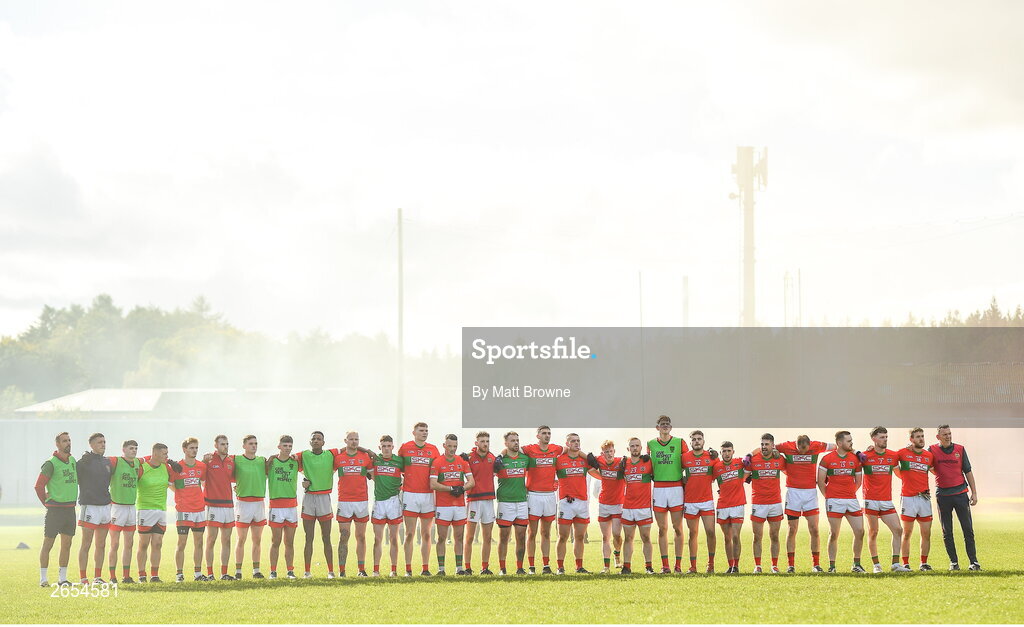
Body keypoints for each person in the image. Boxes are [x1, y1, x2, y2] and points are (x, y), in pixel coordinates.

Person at [774, 434, 833, 572]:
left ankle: (816, 565)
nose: (803, 452)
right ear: (796, 445)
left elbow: (837, 446)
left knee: (814, 529)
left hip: (810, 493)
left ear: (809, 445)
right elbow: (769, 447)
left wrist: (856, 451)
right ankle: (791, 565)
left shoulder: (817, 445)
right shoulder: (786, 446)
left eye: (805, 450)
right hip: (793, 493)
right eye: (800, 449)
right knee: (792, 529)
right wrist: (774, 451)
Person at [929, 424, 981, 571]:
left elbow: (968, 471)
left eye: (949, 433)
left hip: (960, 494)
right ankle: (954, 562)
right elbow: (922, 461)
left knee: (968, 529)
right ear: (938, 437)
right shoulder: (931, 450)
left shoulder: (960, 449)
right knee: (947, 531)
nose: (948, 436)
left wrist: (974, 492)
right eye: (945, 434)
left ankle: (974, 562)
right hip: (943, 496)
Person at [860, 427, 911, 573]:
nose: (885, 440)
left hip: (886, 500)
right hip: (870, 499)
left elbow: (899, 474)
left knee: (898, 529)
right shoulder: (865, 455)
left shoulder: (892, 456)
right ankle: (876, 565)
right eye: (882, 437)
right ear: (874, 439)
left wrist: (909, 449)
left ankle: (895, 565)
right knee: (873, 532)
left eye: (886, 437)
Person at [817, 431, 866, 573]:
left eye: (851, 440)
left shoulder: (855, 459)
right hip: (834, 500)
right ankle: (832, 567)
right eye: (848, 441)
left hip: (851, 500)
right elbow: (820, 481)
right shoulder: (827, 459)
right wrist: (829, 496)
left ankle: (856, 564)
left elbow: (858, 481)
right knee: (834, 533)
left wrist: (849, 493)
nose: (851, 443)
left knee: (860, 531)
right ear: (839, 443)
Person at [647, 415, 689, 573]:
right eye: (662, 424)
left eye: (667, 424)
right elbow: (646, 464)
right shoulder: (650, 444)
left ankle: (678, 565)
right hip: (659, 488)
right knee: (662, 528)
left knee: (677, 528)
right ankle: (665, 566)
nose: (665, 426)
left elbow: (689, 460)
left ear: (671, 427)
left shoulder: (679, 442)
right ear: (657, 428)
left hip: (676, 488)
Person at [136, 443, 183, 583]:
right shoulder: (142, 467)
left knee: (157, 543)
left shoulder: (166, 468)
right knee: (143, 544)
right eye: (164, 453)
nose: (167, 456)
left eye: (167, 453)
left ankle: (154, 575)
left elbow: (173, 486)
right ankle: (141, 575)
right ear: (155, 454)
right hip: (145, 509)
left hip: (161, 510)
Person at [399, 422, 441, 576]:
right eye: (421, 430)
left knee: (427, 534)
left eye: (426, 431)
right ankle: (408, 569)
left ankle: (425, 568)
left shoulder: (433, 449)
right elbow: (399, 467)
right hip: (410, 494)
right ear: (414, 432)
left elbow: (439, 469)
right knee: (409, 533)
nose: (424, 433)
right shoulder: (405, 448)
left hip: (428, 495)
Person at [36, 432, 77, 587]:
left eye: (69, 440)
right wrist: (46, 503)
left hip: (70, 509)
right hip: (55, 510)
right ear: (58, 444)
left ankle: (63, 579)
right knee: (48, 544)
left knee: (67, 544)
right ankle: (43, 579)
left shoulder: (72, 460)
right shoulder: (50, 463)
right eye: (65, 441)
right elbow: (38, 486)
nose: (68, 443)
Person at [429, 434, 474, 575]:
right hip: (443, 505)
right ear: (444, 445)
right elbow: (433, 484)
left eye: (455, 446)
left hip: (459, 505)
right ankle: (441, 569)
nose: (452, 449)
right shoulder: (437, 462)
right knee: (442, 537)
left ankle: (459, 569)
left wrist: (462, 489)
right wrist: (450, 489)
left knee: (459, 537)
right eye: (449, 446)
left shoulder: (462, 461)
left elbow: (471, 482)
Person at [296, 430, 339, 578]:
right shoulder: (304, 455)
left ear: (323, 442)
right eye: (313, 438)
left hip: (324, 498)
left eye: (319, 439)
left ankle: (331, 571)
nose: (316, 441)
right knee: (309, 537)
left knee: (326, 537)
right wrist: (303, 481)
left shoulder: (331, 454)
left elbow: (349, 448)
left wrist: (367, 451)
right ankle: (307, 572)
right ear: (309, 442)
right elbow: (287, 458)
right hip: (309, 499)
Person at [522, 425, 563, 574]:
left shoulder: (555, 449)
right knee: (531, 533)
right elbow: (511, 449)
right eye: (544, 433)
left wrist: (588, 456)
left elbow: (571, 448)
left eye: (549, 433)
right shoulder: (529, 449)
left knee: (546, 533)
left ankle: (546, 565)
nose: (547, 435)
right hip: (533, 495)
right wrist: (500, 456)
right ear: (538, 436)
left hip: (549, 496)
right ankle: (531, 567)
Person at [744, 433, 785, 573]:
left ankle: (774, 565)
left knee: (774, 535)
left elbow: (791, 471)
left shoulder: (779, 459)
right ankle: (758, 566)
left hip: (775, 503)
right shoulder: (754, 460)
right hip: (758, 503)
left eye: (767, 444)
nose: (764, 447)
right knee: (757, 536)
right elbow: (742, 478)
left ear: (773, 445)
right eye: (762, 444)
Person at [334, 431, 372, 577]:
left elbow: (374, 476)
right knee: (344, 535)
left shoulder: (366, 458)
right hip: (344, 501)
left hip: (361, 501)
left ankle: (361, 569)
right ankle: (342, 571)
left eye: (356, 439)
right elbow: (324, 471)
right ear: (345, 440)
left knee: (361, 536)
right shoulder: (338, 458)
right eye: (351, 439)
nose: (354, 442)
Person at [76, 433, 112, 584]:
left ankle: (97, 577)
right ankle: (83, 578)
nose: (103, 444)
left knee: (101, 544)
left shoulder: (107, 461)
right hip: (89, 506)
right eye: (99, 442)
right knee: (86, 543)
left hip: (105, 506)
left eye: (104, 442)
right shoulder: (83, 462)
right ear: (91, 445)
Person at [897, 427, 934, 571]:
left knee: (926, 533)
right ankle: (905, 563)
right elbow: (887, 457)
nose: (921, 439)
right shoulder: (902, 453)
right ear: (911, 439)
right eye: (917, 436)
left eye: (922, 436)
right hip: (908, 498)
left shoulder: (928, 456)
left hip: (924, 498)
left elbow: (935, 471)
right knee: (907, 533)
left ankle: (923, 563)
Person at [681, 430, 718, 573]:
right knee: (692, 533)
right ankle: (693, 566)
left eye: (699, 439)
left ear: (704, 441)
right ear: (690, 442)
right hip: (690, 501)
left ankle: (711, 564)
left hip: (707, 500)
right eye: (694, 439)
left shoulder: (711, 456)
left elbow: (719, 473)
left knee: (710, 532)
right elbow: (677, 472)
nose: (697, 441)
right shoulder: (684, 458)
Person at [462, 431, 497, 575]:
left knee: (487, 537)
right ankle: (468, 568)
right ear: (476, 443)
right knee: (469, 537)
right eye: (482, 441)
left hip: (488, 501)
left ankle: (485, 567)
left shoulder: (493, 458)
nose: (485, 444)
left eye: (487, 441)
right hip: (473, 500)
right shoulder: (469, 458)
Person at [494, 431, 530, 575]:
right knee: (504, 537)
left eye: (517, 440)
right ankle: (502, 568)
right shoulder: (500, 461)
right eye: (512, 440)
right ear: (506, 443)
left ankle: (520, 567)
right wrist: (500, 455)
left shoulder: (525, 459)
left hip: (521, 502)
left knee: (521, 537)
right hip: (505, 502)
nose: (516, 443)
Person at [586, 440, 624, 573]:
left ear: (614, 451)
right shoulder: (599, 460)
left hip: (618, 504)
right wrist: (601, 475)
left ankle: (617, 554)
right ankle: (606, 567)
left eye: (611, 451)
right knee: (605, 537)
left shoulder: (620, 461)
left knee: (617, 535)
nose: (609, 454)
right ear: (603, 453)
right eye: (606, 452)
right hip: (604, 504)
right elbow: (589, 468)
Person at [368, 435, 404, 576]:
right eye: (384, 446)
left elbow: (410, 473)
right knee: (378, 539)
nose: (386, 449)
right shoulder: (375, 460)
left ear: (393, 447)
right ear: (379, 447)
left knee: (394, 538)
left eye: (389, 446)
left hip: (394, 502)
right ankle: (376, 570)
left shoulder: (399, 461)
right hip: (379, 502)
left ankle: (393, 570)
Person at [107, 439, 142, 584]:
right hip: (117, 507)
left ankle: (126, 576)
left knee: (129, 544)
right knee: (114, 544)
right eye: (131, 448)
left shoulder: (138, 463)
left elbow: (150, 459)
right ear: (124, 450)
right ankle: (112, 577)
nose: (134, 450)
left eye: (135, 448)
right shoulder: (115, 461)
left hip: (131, 507)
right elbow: (102, 461)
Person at [555, 433, 590, 574]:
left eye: (578, 441)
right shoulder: (559, 460)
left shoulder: (584, 460)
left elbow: (599, 467)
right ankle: (560, 567)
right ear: (567, 443)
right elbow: (547, 472)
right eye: (573, 441)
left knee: (580, 536)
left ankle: (579, 566)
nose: (576, 443)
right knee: (563, 536)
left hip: (582, 502)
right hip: (566, 502)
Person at [232, 434, 267, 579]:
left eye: (256, 443)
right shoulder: (236, 459)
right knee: (241, 539)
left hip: (259, 503)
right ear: (244, 446)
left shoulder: (262, 461)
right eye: (251, 443)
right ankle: (238, 571)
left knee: (257, 539)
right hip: (243, 504)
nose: (254, 446)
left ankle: (256, 570)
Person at [173, 437, 207, 582]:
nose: (194, 450)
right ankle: (179, 574)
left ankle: (198, 574)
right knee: (182, 543)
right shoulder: (177, 467)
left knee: (199, 542)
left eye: (196, 448)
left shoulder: (201, 466)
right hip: (184, 510)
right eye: (191, 448)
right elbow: (170, 485)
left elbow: (204, 484)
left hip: (199, 509)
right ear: (184, 449)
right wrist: (181, 495)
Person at [202, 435, 236, 580]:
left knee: (226, 540)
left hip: (228, 504)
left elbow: (234, 479)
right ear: (215, 445)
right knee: (211, 539)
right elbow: (201, 478)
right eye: (222, 444)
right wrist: (203, 462)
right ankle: (210, 573)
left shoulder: (231, 461)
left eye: (227, 444)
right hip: (213, 504)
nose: (225, 446)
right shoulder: (208, 460)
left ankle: (224, 573)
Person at [619, 437, 654, 574]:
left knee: (646, 537)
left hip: (644, 507)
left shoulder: (648, 462)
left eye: (637, 446)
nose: (635, 448)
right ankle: (626, 567)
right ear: (628, 449)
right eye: (632, 446)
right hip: (628, 507)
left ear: (641, 448)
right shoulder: (623, 463)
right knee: (628, 538)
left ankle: (648, 567)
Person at [267, 435, 299, 579]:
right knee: (276, 541)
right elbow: (258, 475)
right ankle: (273, 571)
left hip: (291, 506)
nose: (287, 448)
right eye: (285, 446)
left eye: (290, 446)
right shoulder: (271, 462)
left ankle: (290, 571)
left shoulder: (296, 462)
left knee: (289, 542)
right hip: (276, 505)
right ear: (279, 446)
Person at [712, 441, 745, 574]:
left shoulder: (740, 462)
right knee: (727, 538)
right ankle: (730, 565)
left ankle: (736, 566)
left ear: (733, 451)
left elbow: (755, 456)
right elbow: (705, 478)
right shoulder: (716, 467)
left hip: (738, 504)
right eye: (724, 451)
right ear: (720, 453)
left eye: (729, 451)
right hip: (723, 505)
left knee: (736, 536)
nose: (726, 453)